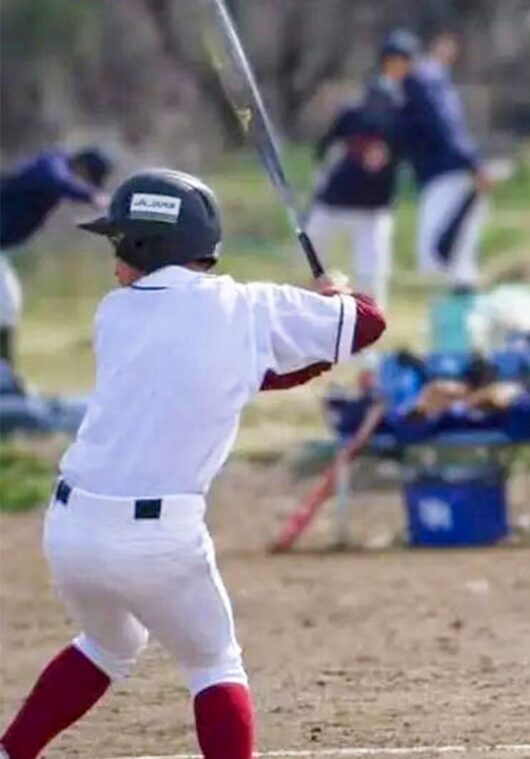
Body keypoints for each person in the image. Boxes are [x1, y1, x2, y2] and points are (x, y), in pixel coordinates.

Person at [0, 168, 385, 759]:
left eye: (122, 244)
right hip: (157, 538)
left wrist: (319, 335)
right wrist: (336, 299)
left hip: (71, 531)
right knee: (213, 661)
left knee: (109, 644)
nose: (115, 260)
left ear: (152, 246)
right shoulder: (245, 307)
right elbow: (368, 324)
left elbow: (244, 371)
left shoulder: (116, 314)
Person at [306, 29, 419, 313]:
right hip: (338, 200)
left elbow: (414, 147)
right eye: (393, 61)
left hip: (375, 206)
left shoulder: (414, 111)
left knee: (372, 274)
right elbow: (324, 149)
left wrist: (390, 151)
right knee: (310, 256)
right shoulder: (357, 111)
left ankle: (368, 331)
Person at [0, 147, 111, 368]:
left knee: (7, 307)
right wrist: (89, 196)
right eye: (88, 179)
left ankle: (6, 375)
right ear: (81, 166)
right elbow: (53, 179)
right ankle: (6, 377)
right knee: (6, 306)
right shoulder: (51, 164)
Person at [403, 28, 491, 292]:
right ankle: (457, 309)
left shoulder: (427, 79)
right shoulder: (429, 78)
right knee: (448, 251)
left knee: (447, 252)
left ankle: (457, 313)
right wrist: (473, 162)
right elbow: (446, 125)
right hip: (447, 169)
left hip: (440, 170)